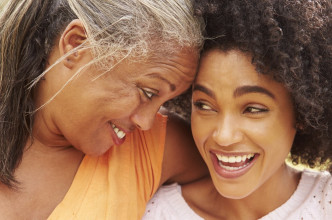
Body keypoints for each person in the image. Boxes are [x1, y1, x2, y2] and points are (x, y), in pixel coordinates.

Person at [0, 0, 208, 219]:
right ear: (77, 44)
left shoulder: (154, 147)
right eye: (148, 92)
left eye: (166, 101)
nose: (146, 123)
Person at [143, 0, 332, 219]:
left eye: (253, 109)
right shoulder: (154, 212)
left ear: (302, 112)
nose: (223, 136)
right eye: (204, 105)